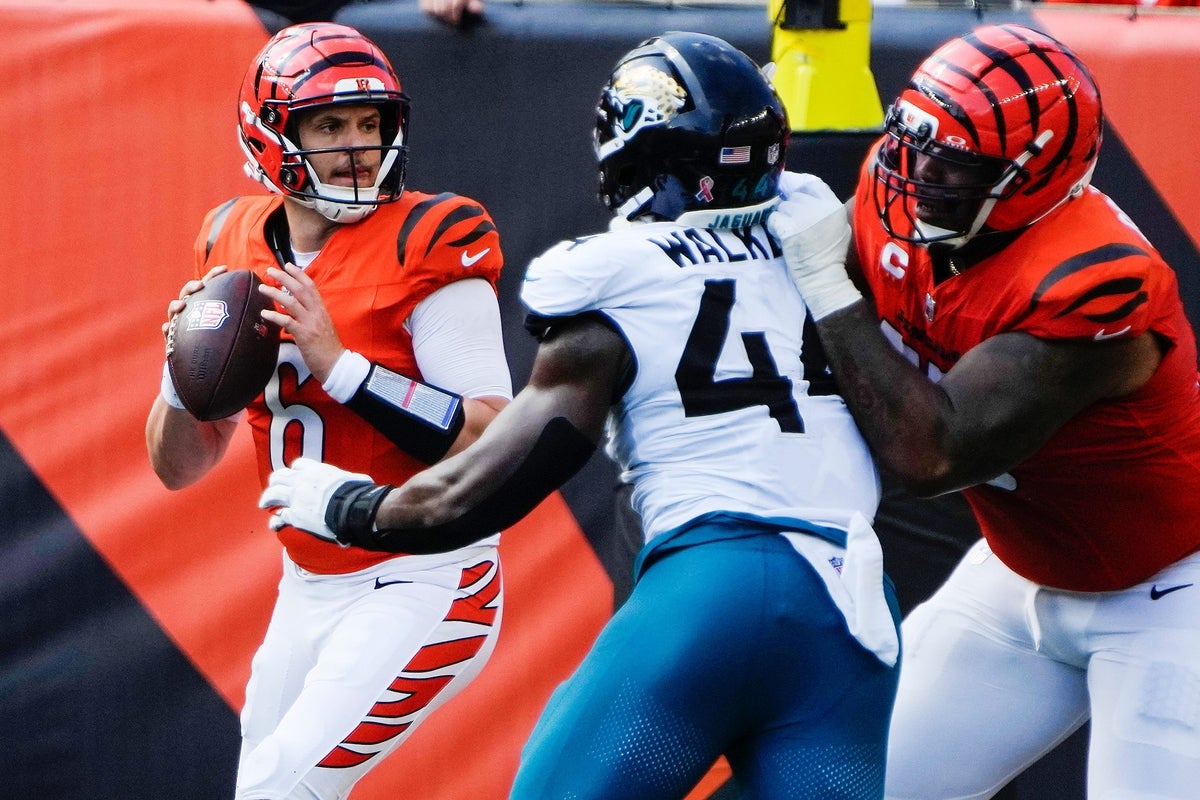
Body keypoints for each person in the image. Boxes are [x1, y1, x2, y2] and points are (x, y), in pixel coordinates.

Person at [258, 31, 903, 800]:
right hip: (852, 602)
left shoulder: (615, 278)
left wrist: (352, 508)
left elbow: (484, 487)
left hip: (713, 586)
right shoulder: (831, 242)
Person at [767, 23, 1200, 799]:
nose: (920, 175)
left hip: (1169, 593)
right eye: (917, 146)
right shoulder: (896, 187)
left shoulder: (1094, 279)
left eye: (956, 164)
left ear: (1035, 177)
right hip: (1018, 569)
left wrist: (826, 283)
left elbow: (931, 454)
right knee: (859, 787)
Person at [145, 23, 513, 800]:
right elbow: (178, 467)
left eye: (369, 123)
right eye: (329, 125)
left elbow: (495, 441)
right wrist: (182, 370)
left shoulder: (428, 240)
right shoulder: (229, 239)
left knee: (278, 791)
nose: (357, 148)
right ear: (272, 136)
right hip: (307, 581)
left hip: (426, 577)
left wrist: (342, 368)